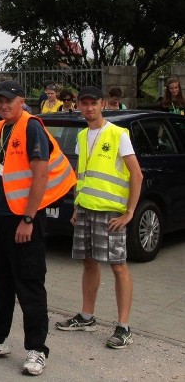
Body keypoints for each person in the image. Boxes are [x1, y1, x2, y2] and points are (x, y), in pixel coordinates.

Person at [0, 81, 76, 376]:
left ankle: (36, 349)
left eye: (8, 100)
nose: (3, 105)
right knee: (0, 283)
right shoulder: (0, 129)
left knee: (29, 284)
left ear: (21, 101)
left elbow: (40, 174)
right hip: (2, 218)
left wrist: (28, 219)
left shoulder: (32, 127)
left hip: (24, 219)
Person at [55, 86, 144, 349]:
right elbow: (81, 174)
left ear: (102, 104)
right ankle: (86, 316)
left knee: (118, 265)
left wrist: (129, 212)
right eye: (84, 104)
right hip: (85, 209)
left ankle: (124, 327)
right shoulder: (82, 136)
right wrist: (76, 206)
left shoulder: (118, 134)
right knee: (89, 262)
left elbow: (136, 175)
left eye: (93, 103)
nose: (89, 108)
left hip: (111, 212)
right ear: (79, 106)